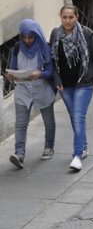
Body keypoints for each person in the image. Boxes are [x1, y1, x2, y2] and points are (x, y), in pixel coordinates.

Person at [49, 3, 93, 173]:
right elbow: (52, 60)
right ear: (60, 18)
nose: (68, 20)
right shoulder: (55, 35)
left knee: (78, 117)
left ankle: (77, 156)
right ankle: (84, 146)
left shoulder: (86, 33)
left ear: (77, 17)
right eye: (65, 17)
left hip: (84, 83)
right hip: (65, 84)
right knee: (73, 117)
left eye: (71, 17)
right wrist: (56, 79)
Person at [5, 20, 57, 170]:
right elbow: (13, 68)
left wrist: (39, 74)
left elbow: (49, 71)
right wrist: (11, 76)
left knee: (48, 121)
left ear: (36, 35)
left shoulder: (44, 48)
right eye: (24, 37)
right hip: (23, 90)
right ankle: (19, 154)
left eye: (30, 37)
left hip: (42, 89)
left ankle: (49, 146)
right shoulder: (16, 48)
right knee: (21, 124)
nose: (27, 41)